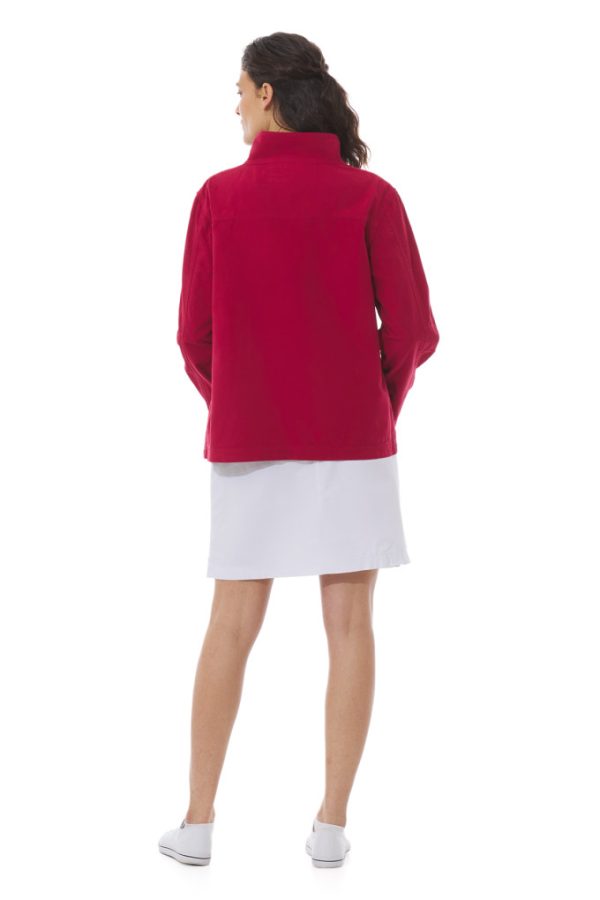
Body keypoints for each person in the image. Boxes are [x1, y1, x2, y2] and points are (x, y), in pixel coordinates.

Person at [158, 31, 439, 869]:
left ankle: (197, 825)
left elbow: (193, 336)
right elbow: (414, 332)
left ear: (269, 94)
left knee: (230, 626)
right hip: (354, 441)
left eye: (240, 92)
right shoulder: (371, 196)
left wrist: (243, 401)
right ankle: (330, 827)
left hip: (250, 441)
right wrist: (373, 405)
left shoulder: (219, 197)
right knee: (350, 626)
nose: (235, 108)